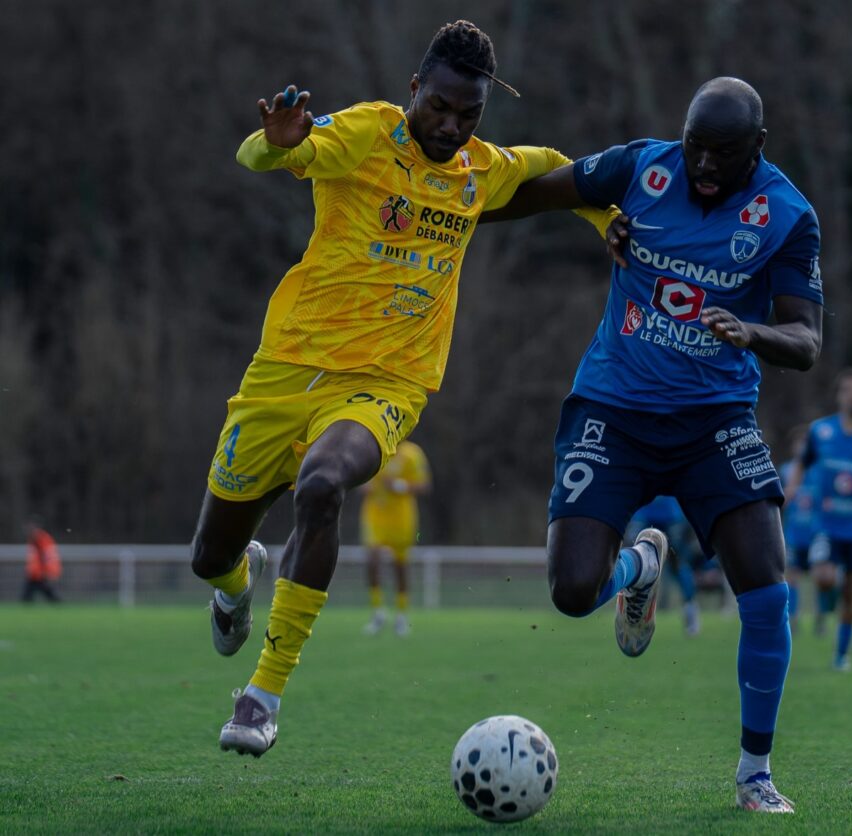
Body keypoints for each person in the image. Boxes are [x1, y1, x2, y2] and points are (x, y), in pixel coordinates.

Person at [189, 20, 617, 758]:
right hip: (286, 369)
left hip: (387, 382)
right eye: (441, 108)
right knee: (208, 553)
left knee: (323, 487)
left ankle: (262, 695)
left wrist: (606, 217)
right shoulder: (364, 131)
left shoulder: (482, 169)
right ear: (415, 89)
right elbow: (260, 151)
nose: (451, 126)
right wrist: (280, 141)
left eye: (469, 114)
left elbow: (557, 169)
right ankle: (235, 585)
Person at [483, 77, 823, 813]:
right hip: (614, 407)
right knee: (572, 592)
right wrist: (452, 214)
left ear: (756, 149)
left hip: (715, 420)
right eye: (695, 146)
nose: (702, 164)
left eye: (722, 155)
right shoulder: (642, 167)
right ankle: (640, 567)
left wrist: (752, 331)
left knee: (768, 591)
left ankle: (754, 775)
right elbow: (540, 190)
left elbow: (806, 339)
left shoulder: (788, 216)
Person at [785, 368, 852, 671]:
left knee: (851, 591)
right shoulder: (821, 431)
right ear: (839, 395)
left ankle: (841, 655)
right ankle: (826, 603)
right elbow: (801, 464)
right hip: (827, 523)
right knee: (823, 578)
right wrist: (791, 489)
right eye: (848, 389)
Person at [360, 439, 432, 636]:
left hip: (401, 517)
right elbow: (360, 479)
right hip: (375, 515)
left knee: (400, 566)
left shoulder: (412, 453)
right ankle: (378, 612)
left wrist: (398, 485)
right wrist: (363, 486)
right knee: (372, 560)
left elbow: (424, 485)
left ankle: (401, 615)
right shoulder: (373, 449)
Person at [625, 496, 700, 635]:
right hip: (657, 514)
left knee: (637, 562)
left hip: (661, 515)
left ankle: (690, 608)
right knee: (676, 565)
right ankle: (632, 610)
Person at [779, 426, 820, 632]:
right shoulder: (787, 470)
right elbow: (781, 501)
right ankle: (793, 618)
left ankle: (820, 617)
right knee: (792, 576)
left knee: (819, 577)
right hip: (794, 533)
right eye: (798, 442)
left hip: (815, 533)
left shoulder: (819, 469)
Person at [22, 520, 62, 603]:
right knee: (46, 594)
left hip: (41, 574)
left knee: (48, 594)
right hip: (35, 574)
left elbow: (46, 557)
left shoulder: (41, 540)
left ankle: (59, 606)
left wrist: (49, 572)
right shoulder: (34, 540)